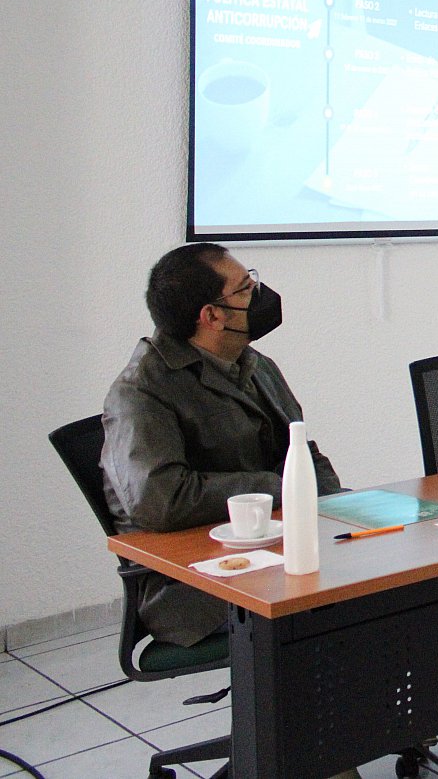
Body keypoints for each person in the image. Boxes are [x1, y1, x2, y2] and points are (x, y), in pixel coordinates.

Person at [101, 244, 360, 779]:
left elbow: (303, 453)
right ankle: (323, 755)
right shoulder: (140, 390)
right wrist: (274, 488)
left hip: (279, 550)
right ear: (212, 315)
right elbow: (160, 499)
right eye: (246, 288)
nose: (260, 294)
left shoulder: (256, 365)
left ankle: (363, 728)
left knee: (390, 575)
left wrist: (335, 508)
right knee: (334, 610)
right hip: (192, 582)